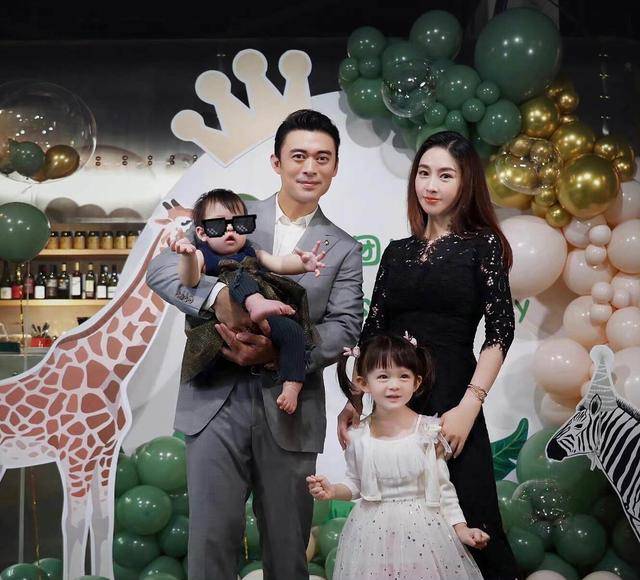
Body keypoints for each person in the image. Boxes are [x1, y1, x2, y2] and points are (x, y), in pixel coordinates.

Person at [147, 109, 363, 580]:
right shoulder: (233, 216)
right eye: (299, 156)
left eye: (322, 158)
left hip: (289, 404)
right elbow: (163, 269)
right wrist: (219, 298)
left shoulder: (344, 247)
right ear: (276, 162)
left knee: (288, 550)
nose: (310, 168)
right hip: (214, 399)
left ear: (335, 167)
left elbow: (346, 326)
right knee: (210, 543)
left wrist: (278, 354)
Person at [337, 131, 518, 579]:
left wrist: (469, 407)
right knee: (400, 529)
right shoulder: (397, 252)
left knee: (473, 519)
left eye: (445, 175)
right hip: (397, 402)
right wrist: (355, 399)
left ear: (466, 182)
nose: (431, 185)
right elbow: (373, 331)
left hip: (455, 399)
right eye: (423, 173)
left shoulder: (483, 246)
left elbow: (500, 331)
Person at [308, 333, 488, 580]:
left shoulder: (429, 431)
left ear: (416, 382)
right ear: (363, 383)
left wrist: (461, 529)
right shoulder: (358, 436)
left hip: (425, 532)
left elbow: (443, 488)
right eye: (383, 376)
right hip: (371, 535)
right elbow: (355, 483)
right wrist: (333, 491)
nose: (394, 385)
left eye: (403, 376)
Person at [172, 187, 327, 413]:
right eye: (218, 225)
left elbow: (279, 264)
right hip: (222, 328)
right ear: (202, 233)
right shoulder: (201, 254)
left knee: (294, 331)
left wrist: (303, 264)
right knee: (237, 276)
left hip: (262, 322)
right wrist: (187, 256)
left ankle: (292, 385)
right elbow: (189, 279)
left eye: (239, 223)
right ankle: (256, 304)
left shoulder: (252, 251)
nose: (230, 229)